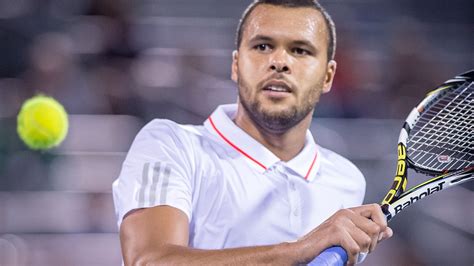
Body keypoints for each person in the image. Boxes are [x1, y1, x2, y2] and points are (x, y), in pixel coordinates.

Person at [112, 0, 393, 265]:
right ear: (236, 65)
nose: (279, 62)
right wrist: (298, 251)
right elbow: (149, 260)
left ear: (328, 76)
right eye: (262, 46)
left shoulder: (346, 179)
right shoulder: (171, 144)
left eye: (300, 50)